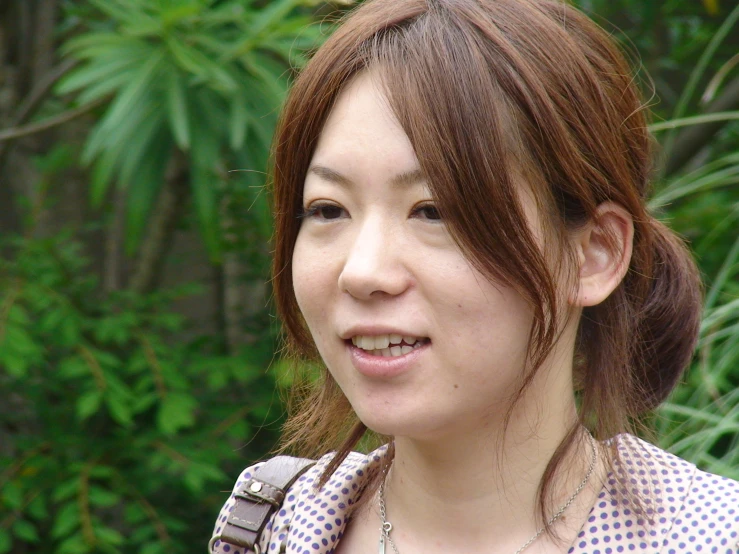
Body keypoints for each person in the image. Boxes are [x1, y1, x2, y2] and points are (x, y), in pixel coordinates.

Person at [210, 0, 739, 553]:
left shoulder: (709, 537)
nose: (362, 271)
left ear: (595, 254)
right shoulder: (272, 527)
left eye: (433, 211)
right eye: (327, 209)